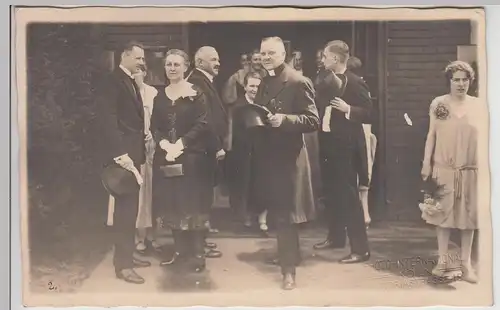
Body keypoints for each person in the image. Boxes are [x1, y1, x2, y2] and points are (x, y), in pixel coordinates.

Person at [249, 36, 319, 290]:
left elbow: (313, 120)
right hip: (269, 154)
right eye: (263, 53)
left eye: (271, 53)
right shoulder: (265, 81)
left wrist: (285, 120)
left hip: (289, 157)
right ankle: (290, 257)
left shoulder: (298, 81)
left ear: (283, 54)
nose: (266, 57)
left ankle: (288, 272)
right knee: (279, 211)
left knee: (285, 214)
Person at [151, 49, 212, 273]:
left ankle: (197, 254)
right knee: (173, 204)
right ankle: (179, 252)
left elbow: (203, 123)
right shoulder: (161, 95)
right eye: (169, 64)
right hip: (168, 157)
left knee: (192, 205)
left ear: (186, 67)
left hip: (193, 158)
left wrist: (182, 144)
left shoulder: (197, 93)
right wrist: (166, 144)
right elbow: (155, 126)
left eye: (177, 64)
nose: (173, 68)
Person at [421, 60, 480, 283]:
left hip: (470, 170)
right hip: (443, 168)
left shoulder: (478, 105)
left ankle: (466, 264)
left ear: (470, 82)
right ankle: (443, 260)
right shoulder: (439, 104)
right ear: (449, 81)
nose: (461, 84)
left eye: (465, 79)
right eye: (456, 79)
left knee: (469, 217)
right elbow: (431, 135)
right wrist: (427, 163)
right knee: (442, 216)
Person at [313, 40, 371, 264]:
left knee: (348, 196)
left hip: (346, 147)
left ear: (335, 59)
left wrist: (349, 110)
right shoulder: (326, 81)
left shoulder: (356, 82)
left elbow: (368, 113)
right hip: (328, 143)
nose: (323, 60)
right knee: (331, 193)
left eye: (326, 57)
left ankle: (361, 249)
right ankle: (336, 238)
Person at [99, 41, 151, 284]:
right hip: (124, 158)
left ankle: (128, 255)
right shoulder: (113, 81)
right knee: (125, 212)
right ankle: (123, 266)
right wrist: (120, 153)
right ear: (126, 56)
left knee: (132, 211)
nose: (142, 62)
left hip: (134, 155)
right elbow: (107, 119)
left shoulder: (131, 80)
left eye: (143, 58)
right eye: (139, 58)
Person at [187, 46, 228, 258]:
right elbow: (206, 121)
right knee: (199, 199)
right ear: (200, 62)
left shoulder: (204, 81)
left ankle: (201, 241)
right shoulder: (196, 82)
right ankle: (197, 247)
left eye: (218, 58)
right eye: (213, 59)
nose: (218, 62)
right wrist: (217, 146)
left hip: (206, 151)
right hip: (202, 151)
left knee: (204, 198)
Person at [225, 71, 268, 235]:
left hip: (262, 151)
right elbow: (232, 132)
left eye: (257, 86)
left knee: (262, 185)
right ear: (245, 86)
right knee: (243, 185)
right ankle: (245, 218)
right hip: (242, 152)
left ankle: (262, 220)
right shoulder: (237, 107)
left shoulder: (265, 105)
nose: (254, 89)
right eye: (251, 86)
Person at [132, 66, 162, 255]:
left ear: (146, 73)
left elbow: (159, 119)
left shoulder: (153, 93)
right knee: (140, 192)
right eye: (133, 72)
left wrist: (154, 135)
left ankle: (153, 236)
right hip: (136, 148)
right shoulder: (129, 94)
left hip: (153, 147)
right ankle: (139, 237)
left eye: (140, 71)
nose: (137, 76)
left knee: (154, 192)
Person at [346, 56, 377, 228]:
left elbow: (367, 112)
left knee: (363, 171)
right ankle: (363, 215)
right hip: (359, 131)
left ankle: (364, 214)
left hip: (361, 131)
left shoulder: (358, 86)